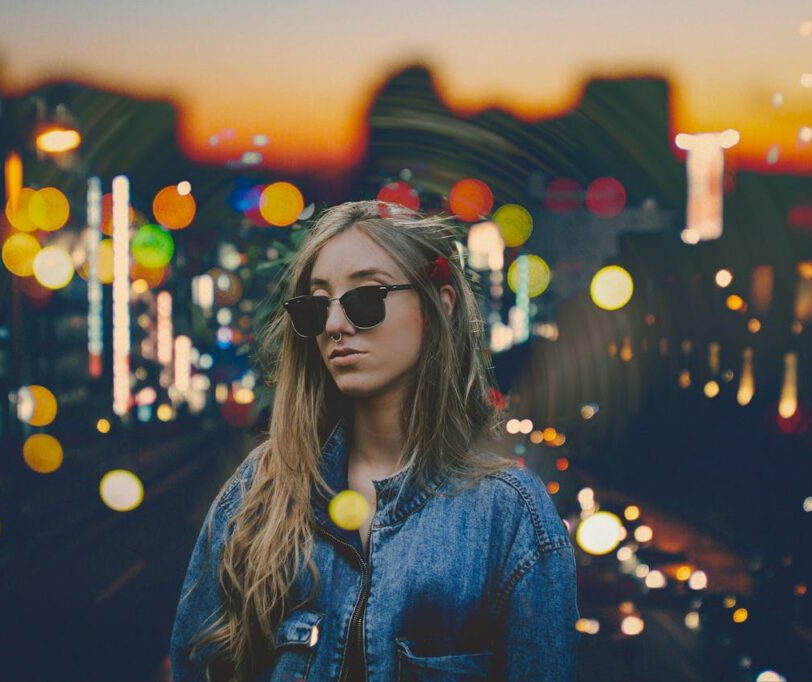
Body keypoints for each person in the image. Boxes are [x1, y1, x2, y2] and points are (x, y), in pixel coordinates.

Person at [169, 200, 579, 681]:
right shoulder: (257, 494)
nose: (335, 326)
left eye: (366, 298)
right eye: (316, 306)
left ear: (438, 306)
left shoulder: (509, 516)